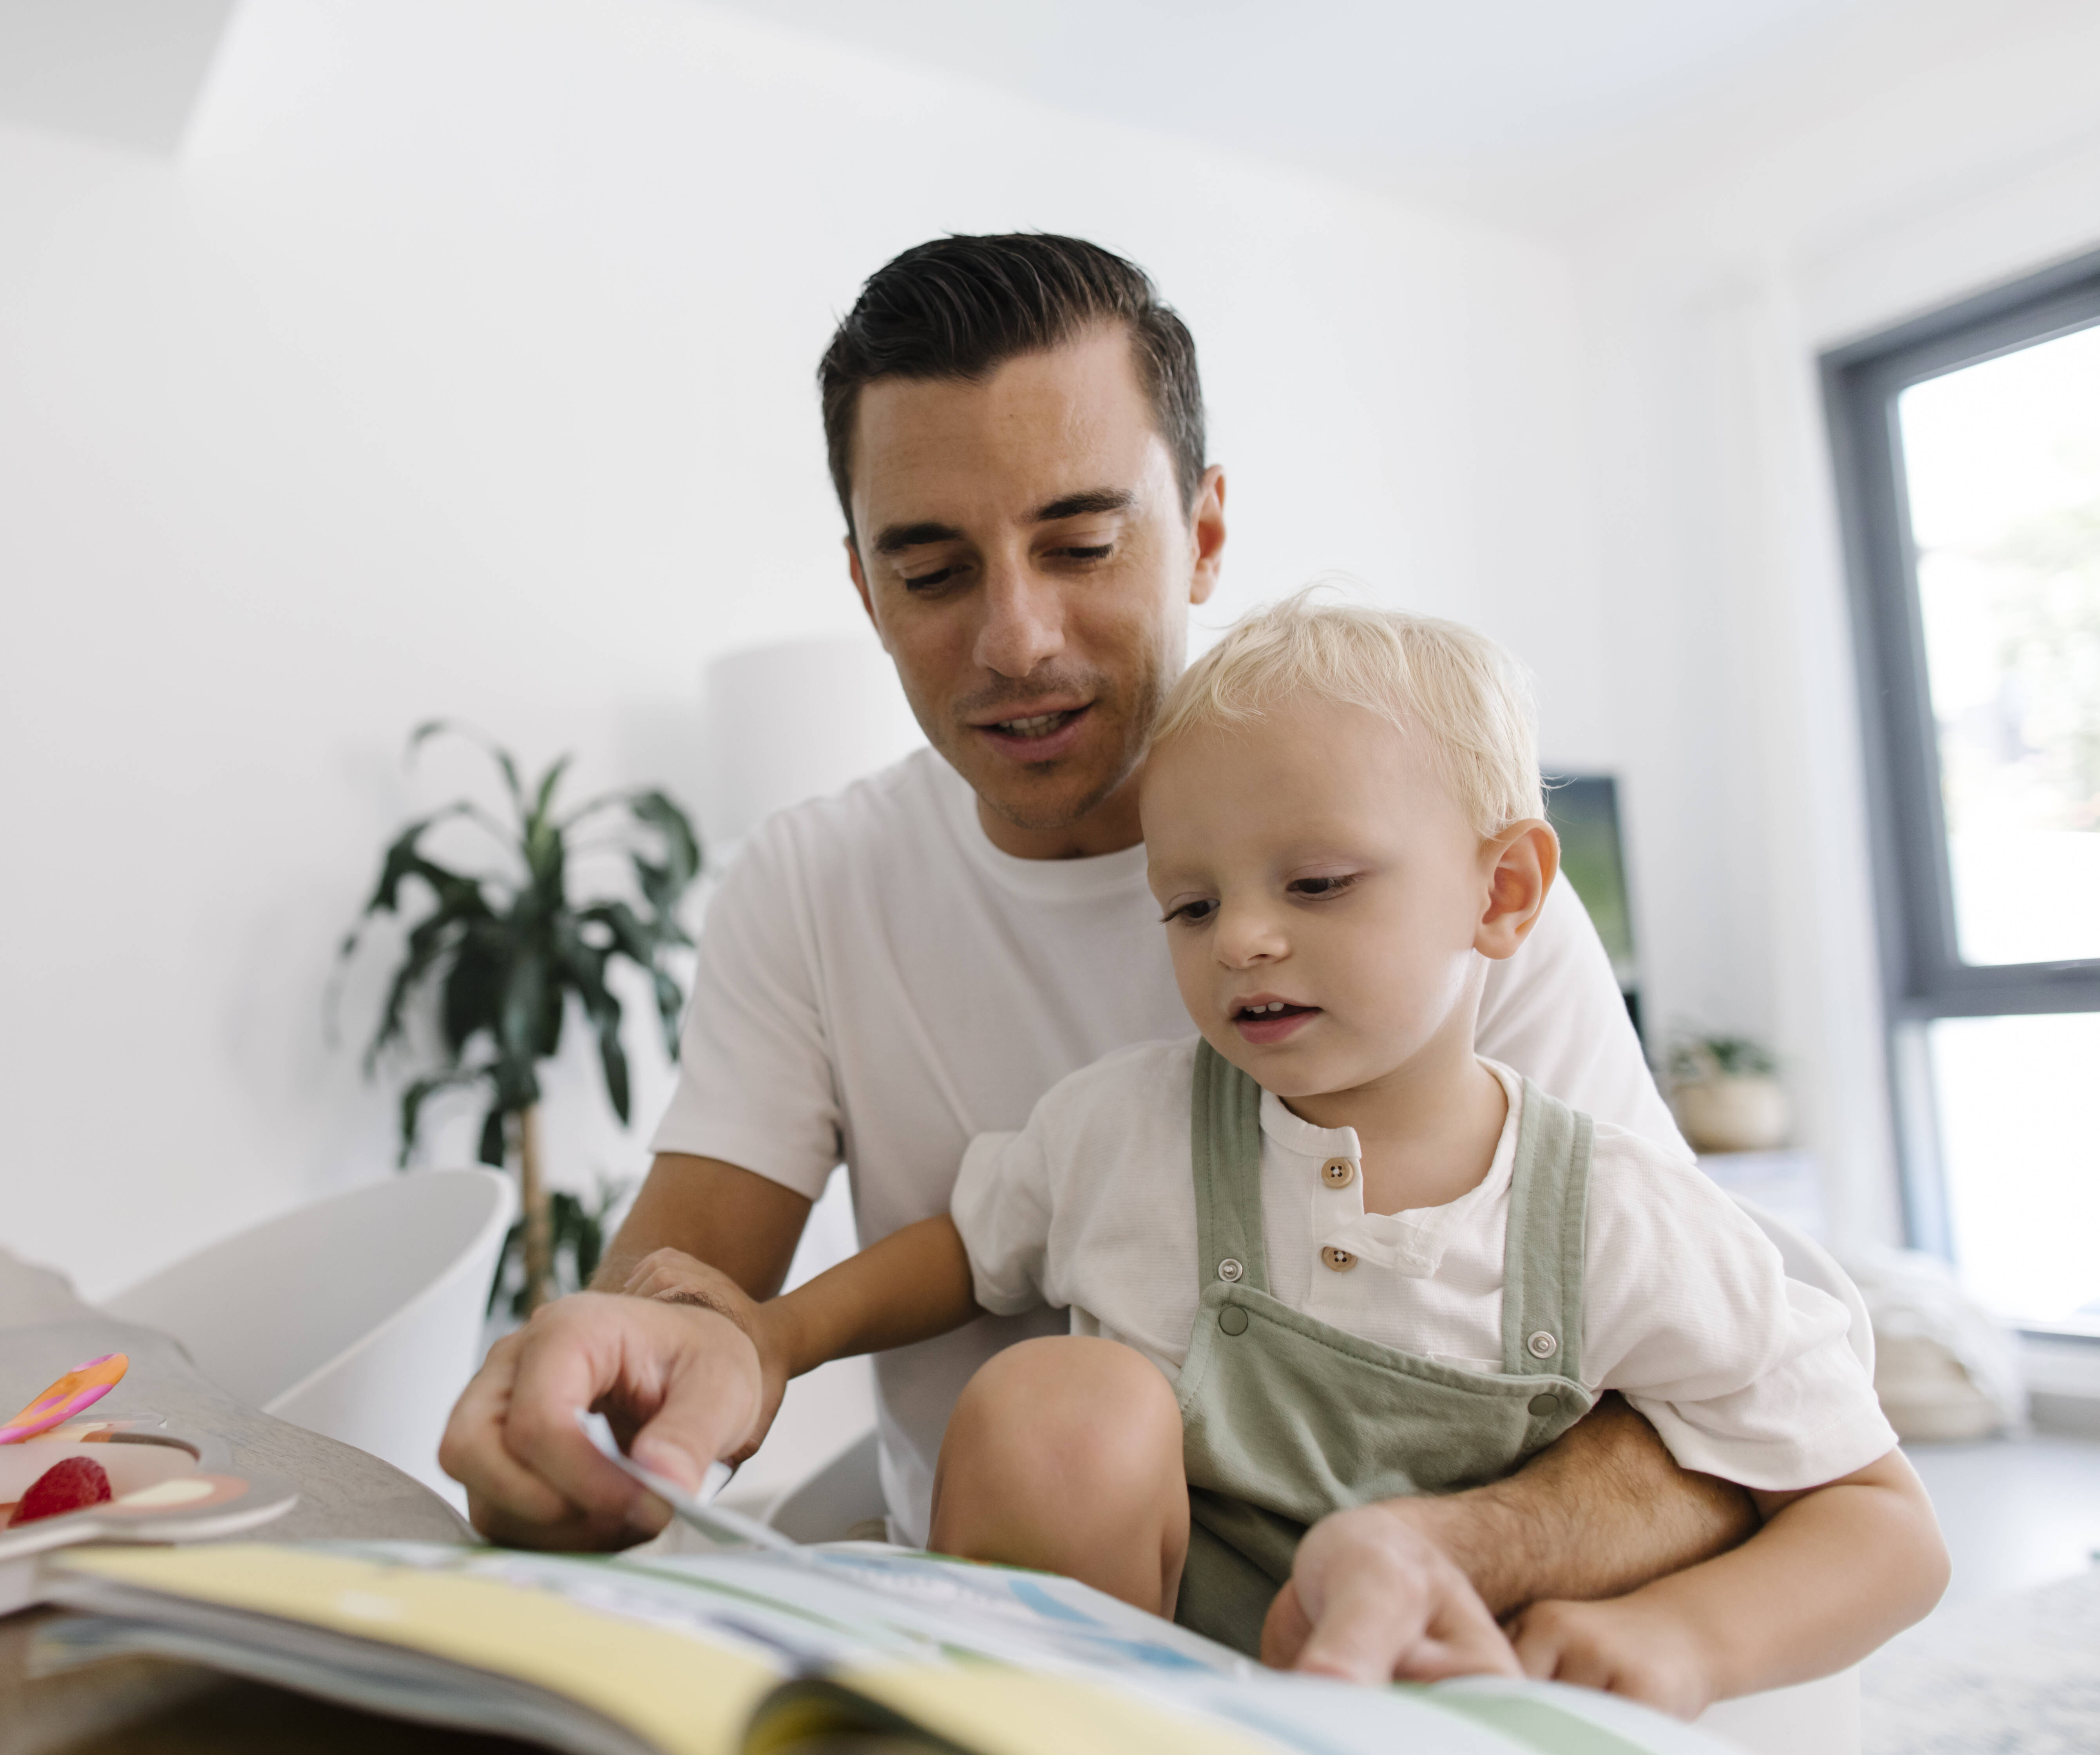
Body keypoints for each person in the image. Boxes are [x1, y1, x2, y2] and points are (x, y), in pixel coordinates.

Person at [441, 232, 1815, 1679]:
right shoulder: (814, 883)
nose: (1016, 639)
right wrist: (603, 1398)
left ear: (1206, 533)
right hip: (1014, 1634)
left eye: (1085, 547)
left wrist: (1440, 1554)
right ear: (863, 589)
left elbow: (1717, 1412)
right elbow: (682, 1322)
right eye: (932, 570)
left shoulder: (1439, 894)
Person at [626, 594, 1946, 1713]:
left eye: (1315, 885)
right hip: (1145, 1706)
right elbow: (965, 1251)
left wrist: (1686, 1639)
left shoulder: (1621, 1214)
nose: (1241, 941)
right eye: (1191, 905)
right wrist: (775, 1334)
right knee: (1056, 1396)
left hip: (1437, 1711)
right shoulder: (1121, 1127)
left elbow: (1883, 1523)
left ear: (1503, 895)